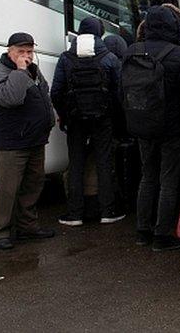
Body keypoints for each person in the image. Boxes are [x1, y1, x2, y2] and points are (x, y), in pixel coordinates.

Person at [131, 6, 180, 251]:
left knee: (147, 177)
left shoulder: (133, 51)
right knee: (168, 181)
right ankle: (162, 234)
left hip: (142, 125)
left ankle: (142, 230)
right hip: (173, 129)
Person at [51, 18, 124, 226]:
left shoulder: (66, 58)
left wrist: (65, 114)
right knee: (104, 162)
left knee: (76, 163)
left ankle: (74, 213)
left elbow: (56, 91)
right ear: (100, 34)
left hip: (75, 119)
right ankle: (107, 211)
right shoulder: (109, 57)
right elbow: (119, 93)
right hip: (103, 119)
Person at [0, 32, 56, 250]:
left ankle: (27, 227)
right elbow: (12, 98)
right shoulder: (0, 74)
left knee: (33, 185)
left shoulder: (32, 70)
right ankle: (0, 232)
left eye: (29, 51)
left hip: (34, 139)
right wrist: (19, 71)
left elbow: (44, 93)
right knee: (8, 189)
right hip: (12, 143)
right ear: (10, 51)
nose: (26, 56)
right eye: (21, 51)